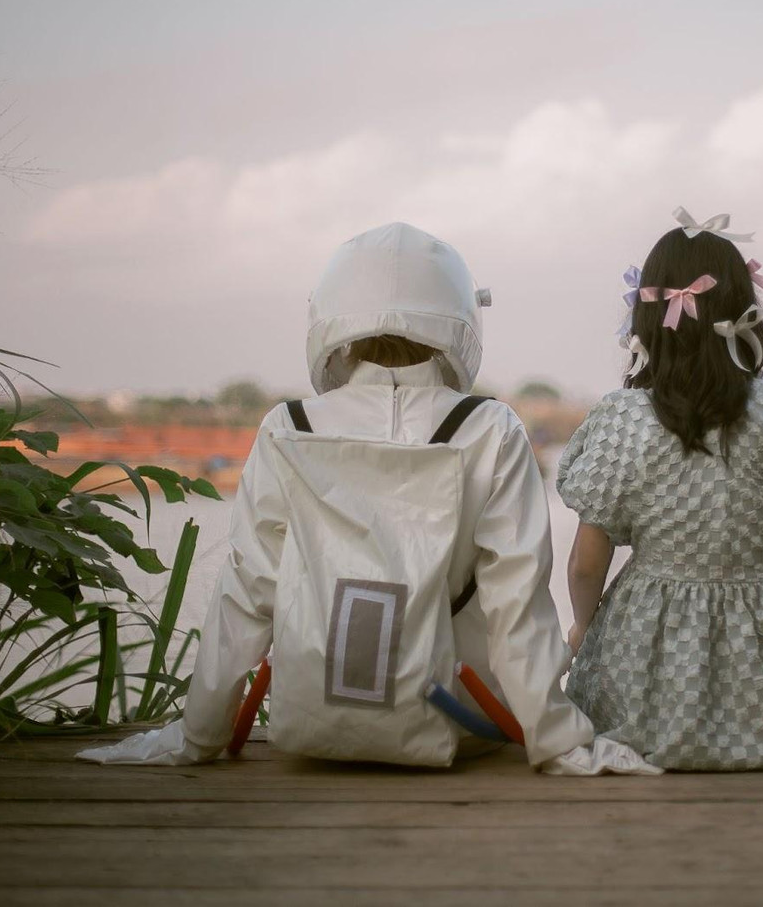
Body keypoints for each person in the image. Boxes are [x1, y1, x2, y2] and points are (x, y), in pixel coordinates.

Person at [78, 222, 659, 777]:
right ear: (460, 318)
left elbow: (247, 591)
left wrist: (200, 733)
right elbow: (517, 603)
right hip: (460, 715)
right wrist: (557, 741)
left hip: (311, 715)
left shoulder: (288, 426)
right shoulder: (491, 428)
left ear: (330, 318)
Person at [557, 210, 763, 771]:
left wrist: (584, 626)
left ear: (645, 318)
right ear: (745, 313)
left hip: (642, 676)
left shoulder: (624, 420)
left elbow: (588, 564)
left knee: (612, 721)